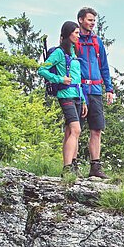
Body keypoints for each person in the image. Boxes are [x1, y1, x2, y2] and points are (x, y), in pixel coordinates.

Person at [38, 21, 88, 176]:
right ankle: (67, 169)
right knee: (76, 129)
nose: (78, 35)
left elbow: (78, 78)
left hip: (77, 96)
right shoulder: (59, 53)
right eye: (76, 33)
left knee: (70, 132)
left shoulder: (74, 53)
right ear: (68, 34)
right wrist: (60, 79)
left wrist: (84, 100)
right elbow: (42, 70)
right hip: (65, 95)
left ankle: (73, 165)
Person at [75, 6, 114, 179]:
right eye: (90, 20)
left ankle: (95, 168)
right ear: (81, 20)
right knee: (74, 130)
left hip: (96, 91)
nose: (92, 24)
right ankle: (72, 165)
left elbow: (104, 66)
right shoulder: (73, 40)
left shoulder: (97, 42)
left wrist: (109, 88)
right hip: (79, 90)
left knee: (96, 129)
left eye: (94, 21)